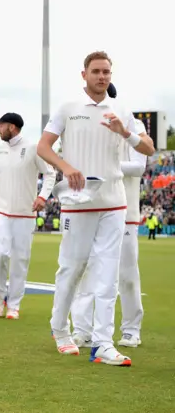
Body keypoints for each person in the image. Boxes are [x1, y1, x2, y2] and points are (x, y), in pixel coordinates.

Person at [37, 50, 155, 365]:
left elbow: (149, 147)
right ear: (84, 74)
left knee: (107, 274)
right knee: (72, 269)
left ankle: (103, 343)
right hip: (78, 203)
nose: (101, 77)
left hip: (115, 202)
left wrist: (125, 133)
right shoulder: (68, 108)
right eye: (96, 71)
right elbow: (43, 146)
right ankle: (60, 329)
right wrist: (67, 167)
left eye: (106, 72)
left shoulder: (122, 110)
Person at [70, 117, 149, 349]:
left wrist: (103, 166)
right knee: (86, 271)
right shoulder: (87, 122)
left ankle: (131, 329)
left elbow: (139, 167)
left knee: (126, 273)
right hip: (91, 207)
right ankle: (83, 330)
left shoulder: (134, 124)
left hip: (124, 211)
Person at [0, 113, 56, 320]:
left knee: (20, 259)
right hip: (2, 210)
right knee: (0, 253)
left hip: (25, 213)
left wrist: (43, 197)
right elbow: (4, 172)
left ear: (13, 127)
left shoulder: (34, 148)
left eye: (1, 126)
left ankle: (14, 304)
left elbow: (50, 173)